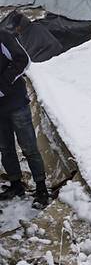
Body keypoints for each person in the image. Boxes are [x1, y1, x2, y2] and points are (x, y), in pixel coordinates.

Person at [0, 30, 50, 209]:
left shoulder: (3, 36)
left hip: (16, 103)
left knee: (29, 147)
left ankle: (41, 188)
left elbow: (23, 60)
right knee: (5, 148)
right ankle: (15, 185)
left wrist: (3, 85)